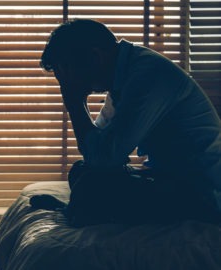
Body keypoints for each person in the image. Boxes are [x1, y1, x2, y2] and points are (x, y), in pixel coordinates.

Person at [30, 19, 221, 227]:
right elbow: (96, 149)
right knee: (81, 171)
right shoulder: (124, 77)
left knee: (90, 185)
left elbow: (104, 158)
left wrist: (74, 102)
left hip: (202, 193)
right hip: (171, 178)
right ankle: (78, 210)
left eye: (68, 71)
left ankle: (77, 211)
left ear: (94, 57)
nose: (67, 82)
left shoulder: (148, 76)